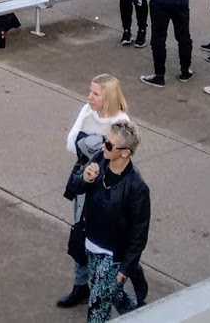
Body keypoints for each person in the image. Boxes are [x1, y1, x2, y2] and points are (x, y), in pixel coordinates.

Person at [56, 74, 131, 309]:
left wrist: (88, 147)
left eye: (95, 93)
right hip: (84, 181)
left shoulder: (121, 121)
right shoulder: (87, 111)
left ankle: (117, 294)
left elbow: (120, 158)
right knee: (80, 233)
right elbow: (70, 144)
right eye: (90, 91)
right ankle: (81, 285)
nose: (90, 97)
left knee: (105, 242)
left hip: (107, 189)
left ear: (108, 96)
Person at [65, 121, 150, 323]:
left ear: (125, 152)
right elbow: (73, 188)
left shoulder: (136, 187)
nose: (104, 146)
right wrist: (85, 179)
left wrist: (124, 269)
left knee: (97, 311)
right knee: (109, 294)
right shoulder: (99, 161)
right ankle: (141, 317)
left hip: (112, 257)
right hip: (90, 244)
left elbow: (139, 233)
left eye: (110, 145)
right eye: (105, 141)